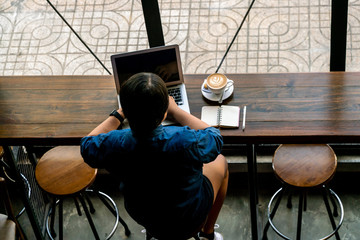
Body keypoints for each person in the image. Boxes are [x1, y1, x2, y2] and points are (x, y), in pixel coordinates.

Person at [80, 72, 228, 240]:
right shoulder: (185, 140)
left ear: (128, 111)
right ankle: (208, 233)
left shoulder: (114, 144)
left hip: (146, 216)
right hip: (190, 218)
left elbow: (86, 145)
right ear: (164, 112)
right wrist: (176, 110)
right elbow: (215, 137)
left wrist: (119, 114)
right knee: (221, 162)